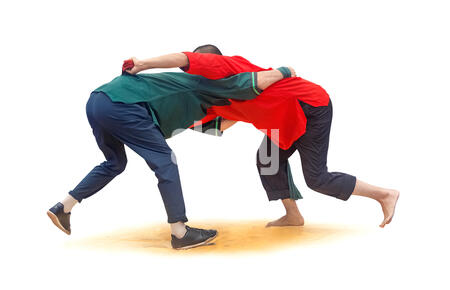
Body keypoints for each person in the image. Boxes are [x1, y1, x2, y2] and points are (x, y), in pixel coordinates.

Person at [47, 52, 293, 249]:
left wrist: (247, 114)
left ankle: (64, 207)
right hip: (125, 106)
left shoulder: (185, 93)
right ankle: (180, 232)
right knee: (166, 162)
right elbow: (257, 81)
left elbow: (216, 127)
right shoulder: (207, 83)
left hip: (99, 101)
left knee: (114, 163)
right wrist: (285, 71)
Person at [153, 45, 400, 228]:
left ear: (213, 65)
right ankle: (293, 215)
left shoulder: (232, 69)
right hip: (281, 121)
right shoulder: (210, 95)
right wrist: (172, 125)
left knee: (317, 178)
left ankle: (384, 194)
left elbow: (185, 58)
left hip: (310, 106)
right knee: (267, 159)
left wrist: (142, 64)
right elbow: (222, 125)